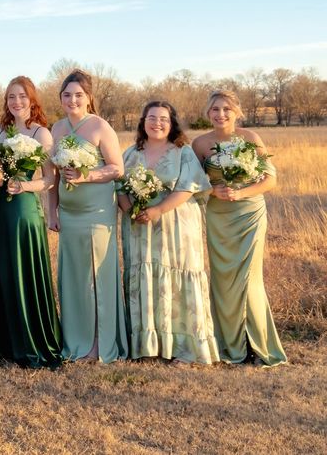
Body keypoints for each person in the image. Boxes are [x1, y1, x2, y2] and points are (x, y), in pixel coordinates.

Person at [191, 91, 286, 367]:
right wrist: (213, 190)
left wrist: (241, 194)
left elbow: (270, 180)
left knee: (250, 279)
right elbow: (193, 186)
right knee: (223, 282)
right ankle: (230, 345)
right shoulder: (200, 144)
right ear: (208, 113)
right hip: (219, 218)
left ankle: (259, 346)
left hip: (249, 214)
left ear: (237, 112)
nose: (221, 114)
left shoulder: (250, 139)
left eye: (226, 109)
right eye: (215, 109)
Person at [120, 101, 219, 365]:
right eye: (152, 118)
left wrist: (159, 210)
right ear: (143, 122)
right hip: (140, 228)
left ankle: (185, 347)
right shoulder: (130, 153)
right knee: (146, 278)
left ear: (172, 123)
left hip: (175, 224)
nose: (157, 123)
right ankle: (149, 346)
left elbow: (189, 187)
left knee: (175, 279)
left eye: (163, 118)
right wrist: (130, 209)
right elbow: (119, 187)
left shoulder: (182, 152)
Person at [48, 69, 127, 363]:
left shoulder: (100, 127)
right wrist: (52, 210)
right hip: (68, 214)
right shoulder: (56, 129)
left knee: (96, 277)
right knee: (73, 279)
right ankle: (75, 340)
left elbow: (117, 168)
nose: (72, 100)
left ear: (88, 97)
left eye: (78, 95)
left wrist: (87, 175)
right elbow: (53, 175)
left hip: (96, 213)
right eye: (67, 95)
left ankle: (98, 344)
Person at [0, 76, 63, 368]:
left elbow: (49, 179)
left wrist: (24, 187)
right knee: (5, 273)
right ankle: (9, 344)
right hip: (0, 208)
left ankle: (33, 343)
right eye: (10, 97)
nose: (16, 102)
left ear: (32, 100)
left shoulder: (41, 134)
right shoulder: (0, 131)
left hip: (24, 209)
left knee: (26, 274)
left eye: (21, 96)